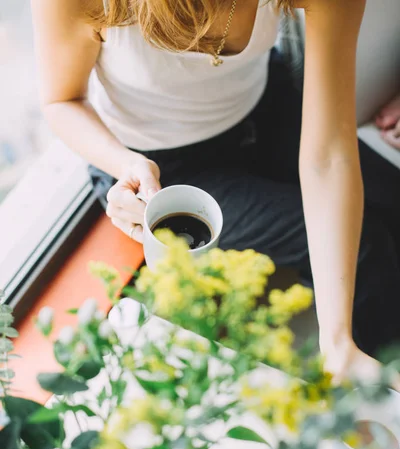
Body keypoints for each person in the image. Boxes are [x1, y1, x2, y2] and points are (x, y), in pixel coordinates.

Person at [32, 0, 400, 384]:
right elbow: (62, 101)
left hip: (262, 106)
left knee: (392, 204)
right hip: (160, 165)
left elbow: (329, 156)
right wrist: (125, 165)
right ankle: (380, 396)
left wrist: (336, 339)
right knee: (365, 247)